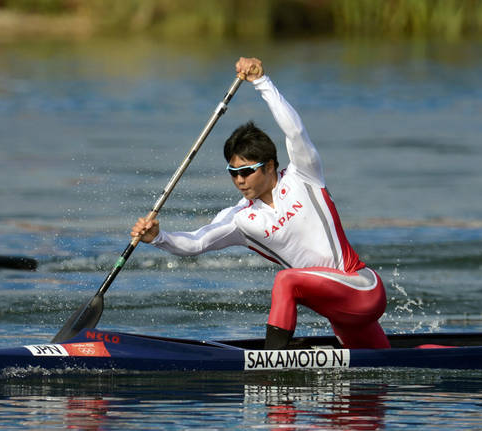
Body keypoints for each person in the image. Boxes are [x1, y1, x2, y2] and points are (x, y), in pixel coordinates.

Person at [131, 57, 389, 350]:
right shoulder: (240, 219)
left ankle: (270, 362)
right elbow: (196, 244)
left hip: (362, 289)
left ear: (269, 167)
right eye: (233, 173)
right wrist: (158, 238)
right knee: (379, 377)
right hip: (338, 314)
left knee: (285, 281)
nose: (239, 180)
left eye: (246, 171)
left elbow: (295, 132)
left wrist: (262, 83)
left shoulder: (303, 176)